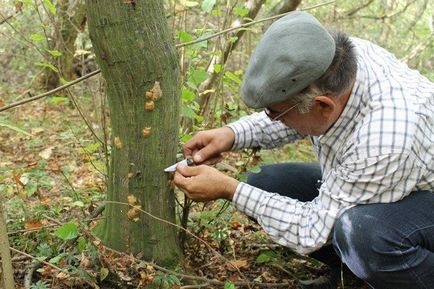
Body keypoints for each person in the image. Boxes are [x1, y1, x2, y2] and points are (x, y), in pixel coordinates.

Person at [174, 11, 434, 289]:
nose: (272, 119)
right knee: (266, 183)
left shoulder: (385, 139)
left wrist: (230, 189)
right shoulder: (332, 60)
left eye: (275, 114)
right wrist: (232, 134)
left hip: (423, 198)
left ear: (324, 105)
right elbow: (296, 110)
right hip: (379, 181)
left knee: (362, 235)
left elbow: (312, 230)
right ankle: (351, 276)